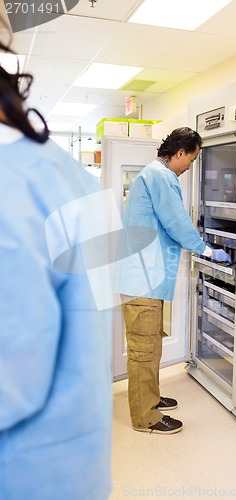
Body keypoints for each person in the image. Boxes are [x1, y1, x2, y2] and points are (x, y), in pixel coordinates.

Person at [0, 21, 112, 500]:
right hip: (76, 468)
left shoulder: (11, 189)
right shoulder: (76, 178)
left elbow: (11, 380)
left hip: (23, 475)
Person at [115, 127, 231, 434]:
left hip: (145, 278)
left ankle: (150, 398)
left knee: (150, 344)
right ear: (179, 153)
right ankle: (145, 417)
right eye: (190, 160)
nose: (189, 167)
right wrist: (207, 249)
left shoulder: (153, 175)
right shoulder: (161, 177)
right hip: (142, 280)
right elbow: (176, 221)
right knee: (143, 349)